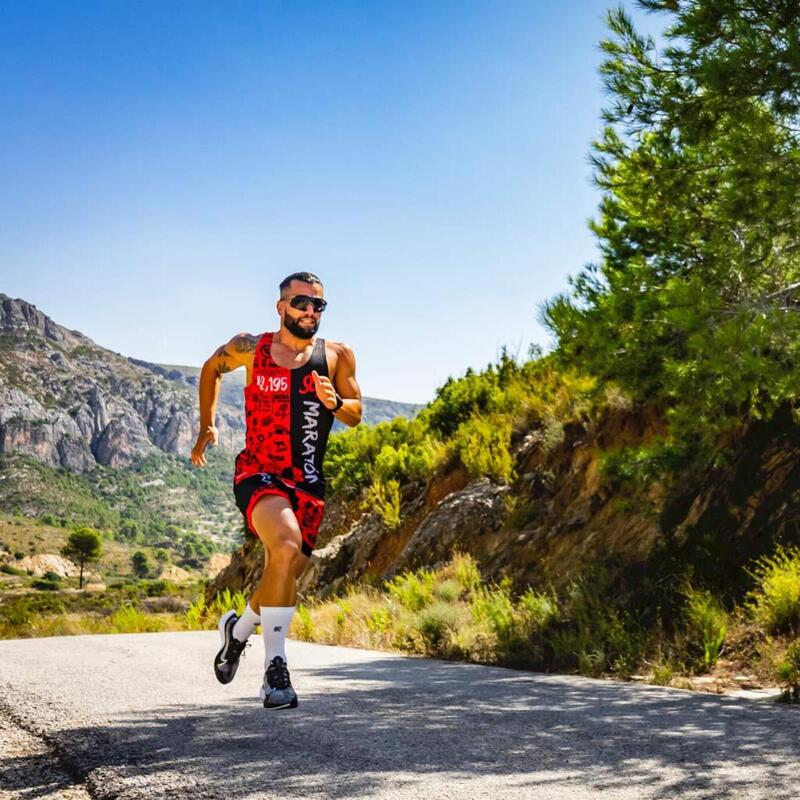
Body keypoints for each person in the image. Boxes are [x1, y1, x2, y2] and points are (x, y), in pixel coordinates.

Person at [191, 272, 362, 708]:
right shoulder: (252, 348)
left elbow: (357, 412)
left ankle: (238, 631)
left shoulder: (337, 356)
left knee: (284, 572)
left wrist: (335, 404)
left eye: (318, 305)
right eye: (301, 303)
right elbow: (211, 369)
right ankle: (275, 670)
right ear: (281, 306)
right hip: (259, 473)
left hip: (307, 483)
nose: (310, 311)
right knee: (283, 546)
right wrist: (207, 423)